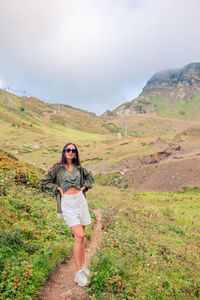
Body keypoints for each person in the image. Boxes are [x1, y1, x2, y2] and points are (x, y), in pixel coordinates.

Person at [40, 142, 94, 287]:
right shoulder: (58, 169)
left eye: (73, 150)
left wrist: (83, 187)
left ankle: (83, 267)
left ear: (76, 153)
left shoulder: (80, 169)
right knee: (80, 236)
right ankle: (78, 273)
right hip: (68, 204)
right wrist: (57, 188)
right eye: (68, 150)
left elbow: (90, 179)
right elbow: (44, 181)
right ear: (64, 152)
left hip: (80, 202)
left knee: (81, 238)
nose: (70, 152)